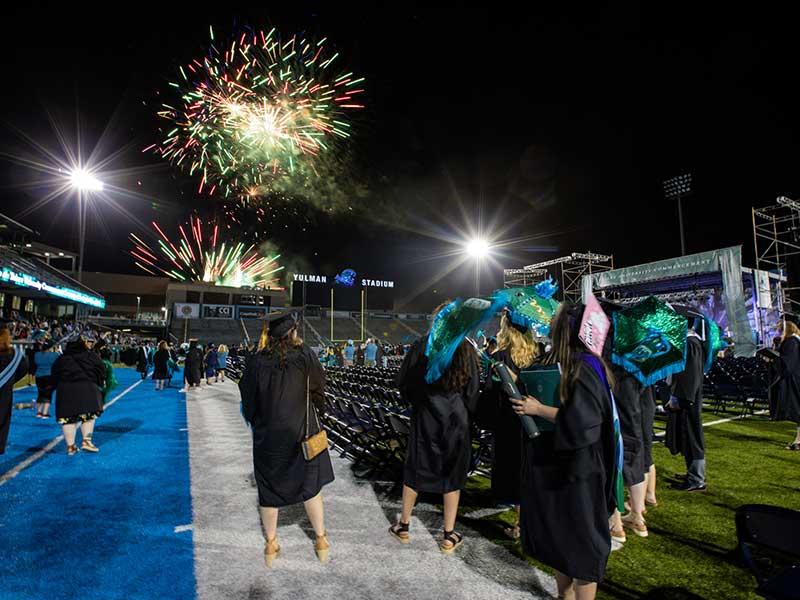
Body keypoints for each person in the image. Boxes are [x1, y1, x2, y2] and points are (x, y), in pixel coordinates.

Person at [513, 304, 618, 600]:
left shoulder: (584, 367)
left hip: (579, 472)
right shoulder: (578, 363)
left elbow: (583, 421)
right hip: (563, 467)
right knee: (561, 540)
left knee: (582, 545)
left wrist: (538, 409)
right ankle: (564, 596)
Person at [239, 312, 333, 567]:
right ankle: (321, 540)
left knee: (268, 489)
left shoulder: (257, 360)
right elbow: (318, 387)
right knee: (310, 486)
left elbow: (247, 398)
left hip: (269, 437)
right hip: (301, 430)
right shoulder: (304, 355)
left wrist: (258, 421)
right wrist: (317, 412)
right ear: (292, 331)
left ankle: (271, 544)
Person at [389, 314, 480, 554]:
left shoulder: (423, 344)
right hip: (455, 417)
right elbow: (472, 390)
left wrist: (418, 401)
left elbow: (404, 382)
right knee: (452, 474)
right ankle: (448, 535)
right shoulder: (465, 348)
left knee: (417, 468)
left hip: (427, 414)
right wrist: (465, 412)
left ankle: (404, 525)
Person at [481, 311, 539, 539]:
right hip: (535, 420)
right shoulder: (538, 354)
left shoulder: (501, 357)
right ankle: (526, 522)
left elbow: (491, 394)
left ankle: (521, 524)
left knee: (514, 474)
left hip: (509, 423)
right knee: (528, 472)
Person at [665, 320, 706, 491]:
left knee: (693, 438)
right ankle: (692, 473)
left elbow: (691, 376)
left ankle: (697, 479)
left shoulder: (691, 344)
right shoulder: (690, 342)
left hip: (688, 400)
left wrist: (681, 399)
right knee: (687, 438)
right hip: (687, 398)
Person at [51, 338, 106, 455]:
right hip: (87, 389)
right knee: (88, 416)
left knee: (68, 419)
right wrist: (98, 382)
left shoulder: (61, 359)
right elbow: (101, 369)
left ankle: (71, 447)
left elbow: (54, 374)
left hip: (65, 390)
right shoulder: (90, 356)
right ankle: (87, 441)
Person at [0, 325, 29, 454]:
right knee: (2, 421)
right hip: (4, 394)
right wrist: (9, 382)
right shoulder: (14, 354)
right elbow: (23, 369)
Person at [772, 319, 800, 449]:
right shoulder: (794, 341)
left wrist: (774, 359)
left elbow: (788, 364)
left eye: (780, 330)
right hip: (795, 378)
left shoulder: (791, 342)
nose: (778, 332)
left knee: (798, 410)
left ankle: (798, 441)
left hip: (795, 380)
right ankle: (798, 440)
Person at [34, 342, 59, 419]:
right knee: (48, 394)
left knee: (40, 393)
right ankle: (45, 413)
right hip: (49, 375)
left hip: (38, 376)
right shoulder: (54, 355)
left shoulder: (37, 354)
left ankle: (39, 412)